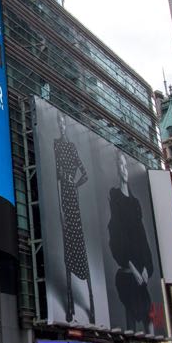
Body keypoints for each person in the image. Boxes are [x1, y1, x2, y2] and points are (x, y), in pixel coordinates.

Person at [107, 150, 156, 331]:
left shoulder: (135, 203)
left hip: (140, 272)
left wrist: (145, 268)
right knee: (132, 318)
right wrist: (134, 269)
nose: (125, 169)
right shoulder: (115, 197)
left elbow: (141, 237)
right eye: (121, 165)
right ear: (117, 169)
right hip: (127, 275)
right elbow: (118, 237)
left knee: (149, 317)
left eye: (126, 165)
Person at [53, 111, 95, 322]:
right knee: (68, 252)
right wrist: (67, 189)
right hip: (65, 201)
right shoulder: (56, 145)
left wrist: (72, 184)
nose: (61, 125)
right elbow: (56, 178)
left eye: (63, 122)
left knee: (80, 250)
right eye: (59, 121)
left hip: (72, 201)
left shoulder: (69, 147)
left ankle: (90, 304)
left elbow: (84, 175)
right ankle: (70, 306)